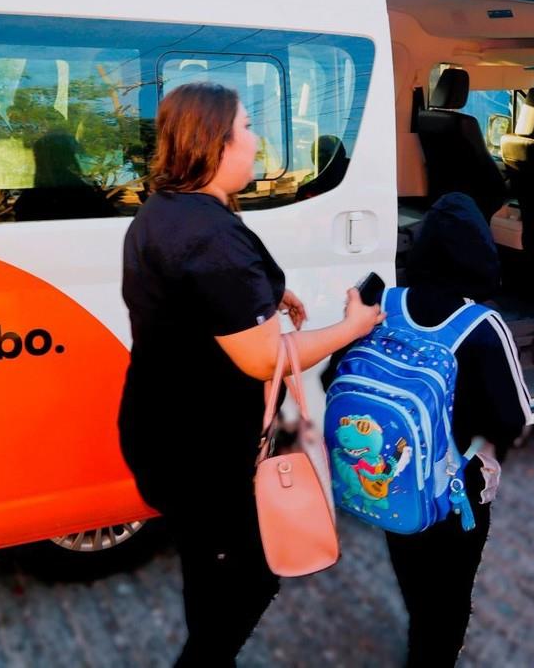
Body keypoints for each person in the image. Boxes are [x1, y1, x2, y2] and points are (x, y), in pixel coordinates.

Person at [117, 82, 384, 667]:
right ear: (216, 142)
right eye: (246, 126)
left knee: (208, 566)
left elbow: (200, 296)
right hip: (201, 450)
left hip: (160, 427)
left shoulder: (166, 210)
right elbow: (264, 359)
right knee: (247, 581)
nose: (256, 137)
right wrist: (353, 327)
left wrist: (267, 290)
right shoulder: (211, 238)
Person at [325, 192, 530, 667]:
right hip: (458, 490)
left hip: (394, 484)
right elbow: (512, 419)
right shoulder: (482, 325)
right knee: (452, 592)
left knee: (414, 575)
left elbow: (334, 375)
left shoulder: (382, 303)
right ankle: (432, 655)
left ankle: (422, 635)